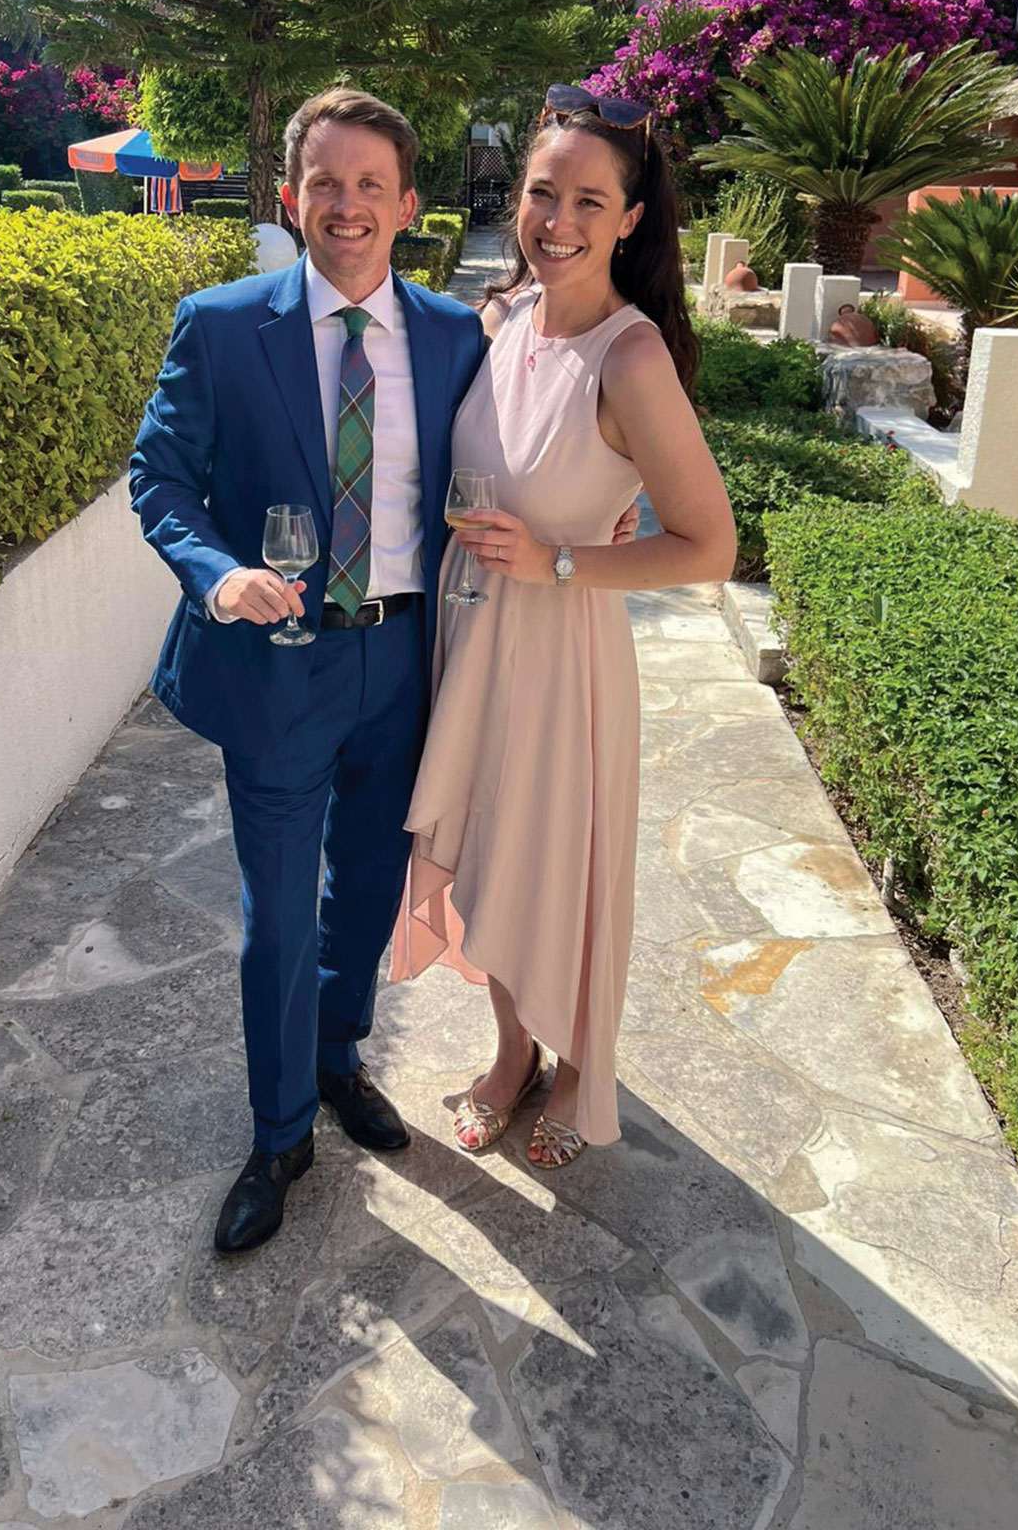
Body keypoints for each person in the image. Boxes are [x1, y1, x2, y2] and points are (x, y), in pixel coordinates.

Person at [131, 85, 642, 1252]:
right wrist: (214, 572)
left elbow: (539, 440)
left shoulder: (458, 334)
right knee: (275, 918)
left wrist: (611, 521)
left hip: (407, 662)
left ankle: (339, 1053)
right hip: (275, 665)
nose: (347, 206)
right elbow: (158, 478)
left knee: (364, 890)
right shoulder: (218, 325)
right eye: (326, 182)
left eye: (372, 185)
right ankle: (276, 1134)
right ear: (289, 196)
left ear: (410, 205)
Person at [390, 83, 737, 1168]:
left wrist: (562, 557)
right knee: (486, 855)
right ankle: (511, 1055)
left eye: (591, 200)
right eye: (544, 192)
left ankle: (581, 1069)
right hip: (469, 642)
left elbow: (709, 545)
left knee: (562, 869)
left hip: (561, 656)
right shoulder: (499, 320)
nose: (560, 220)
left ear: (631, 219)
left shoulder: (631, 361)